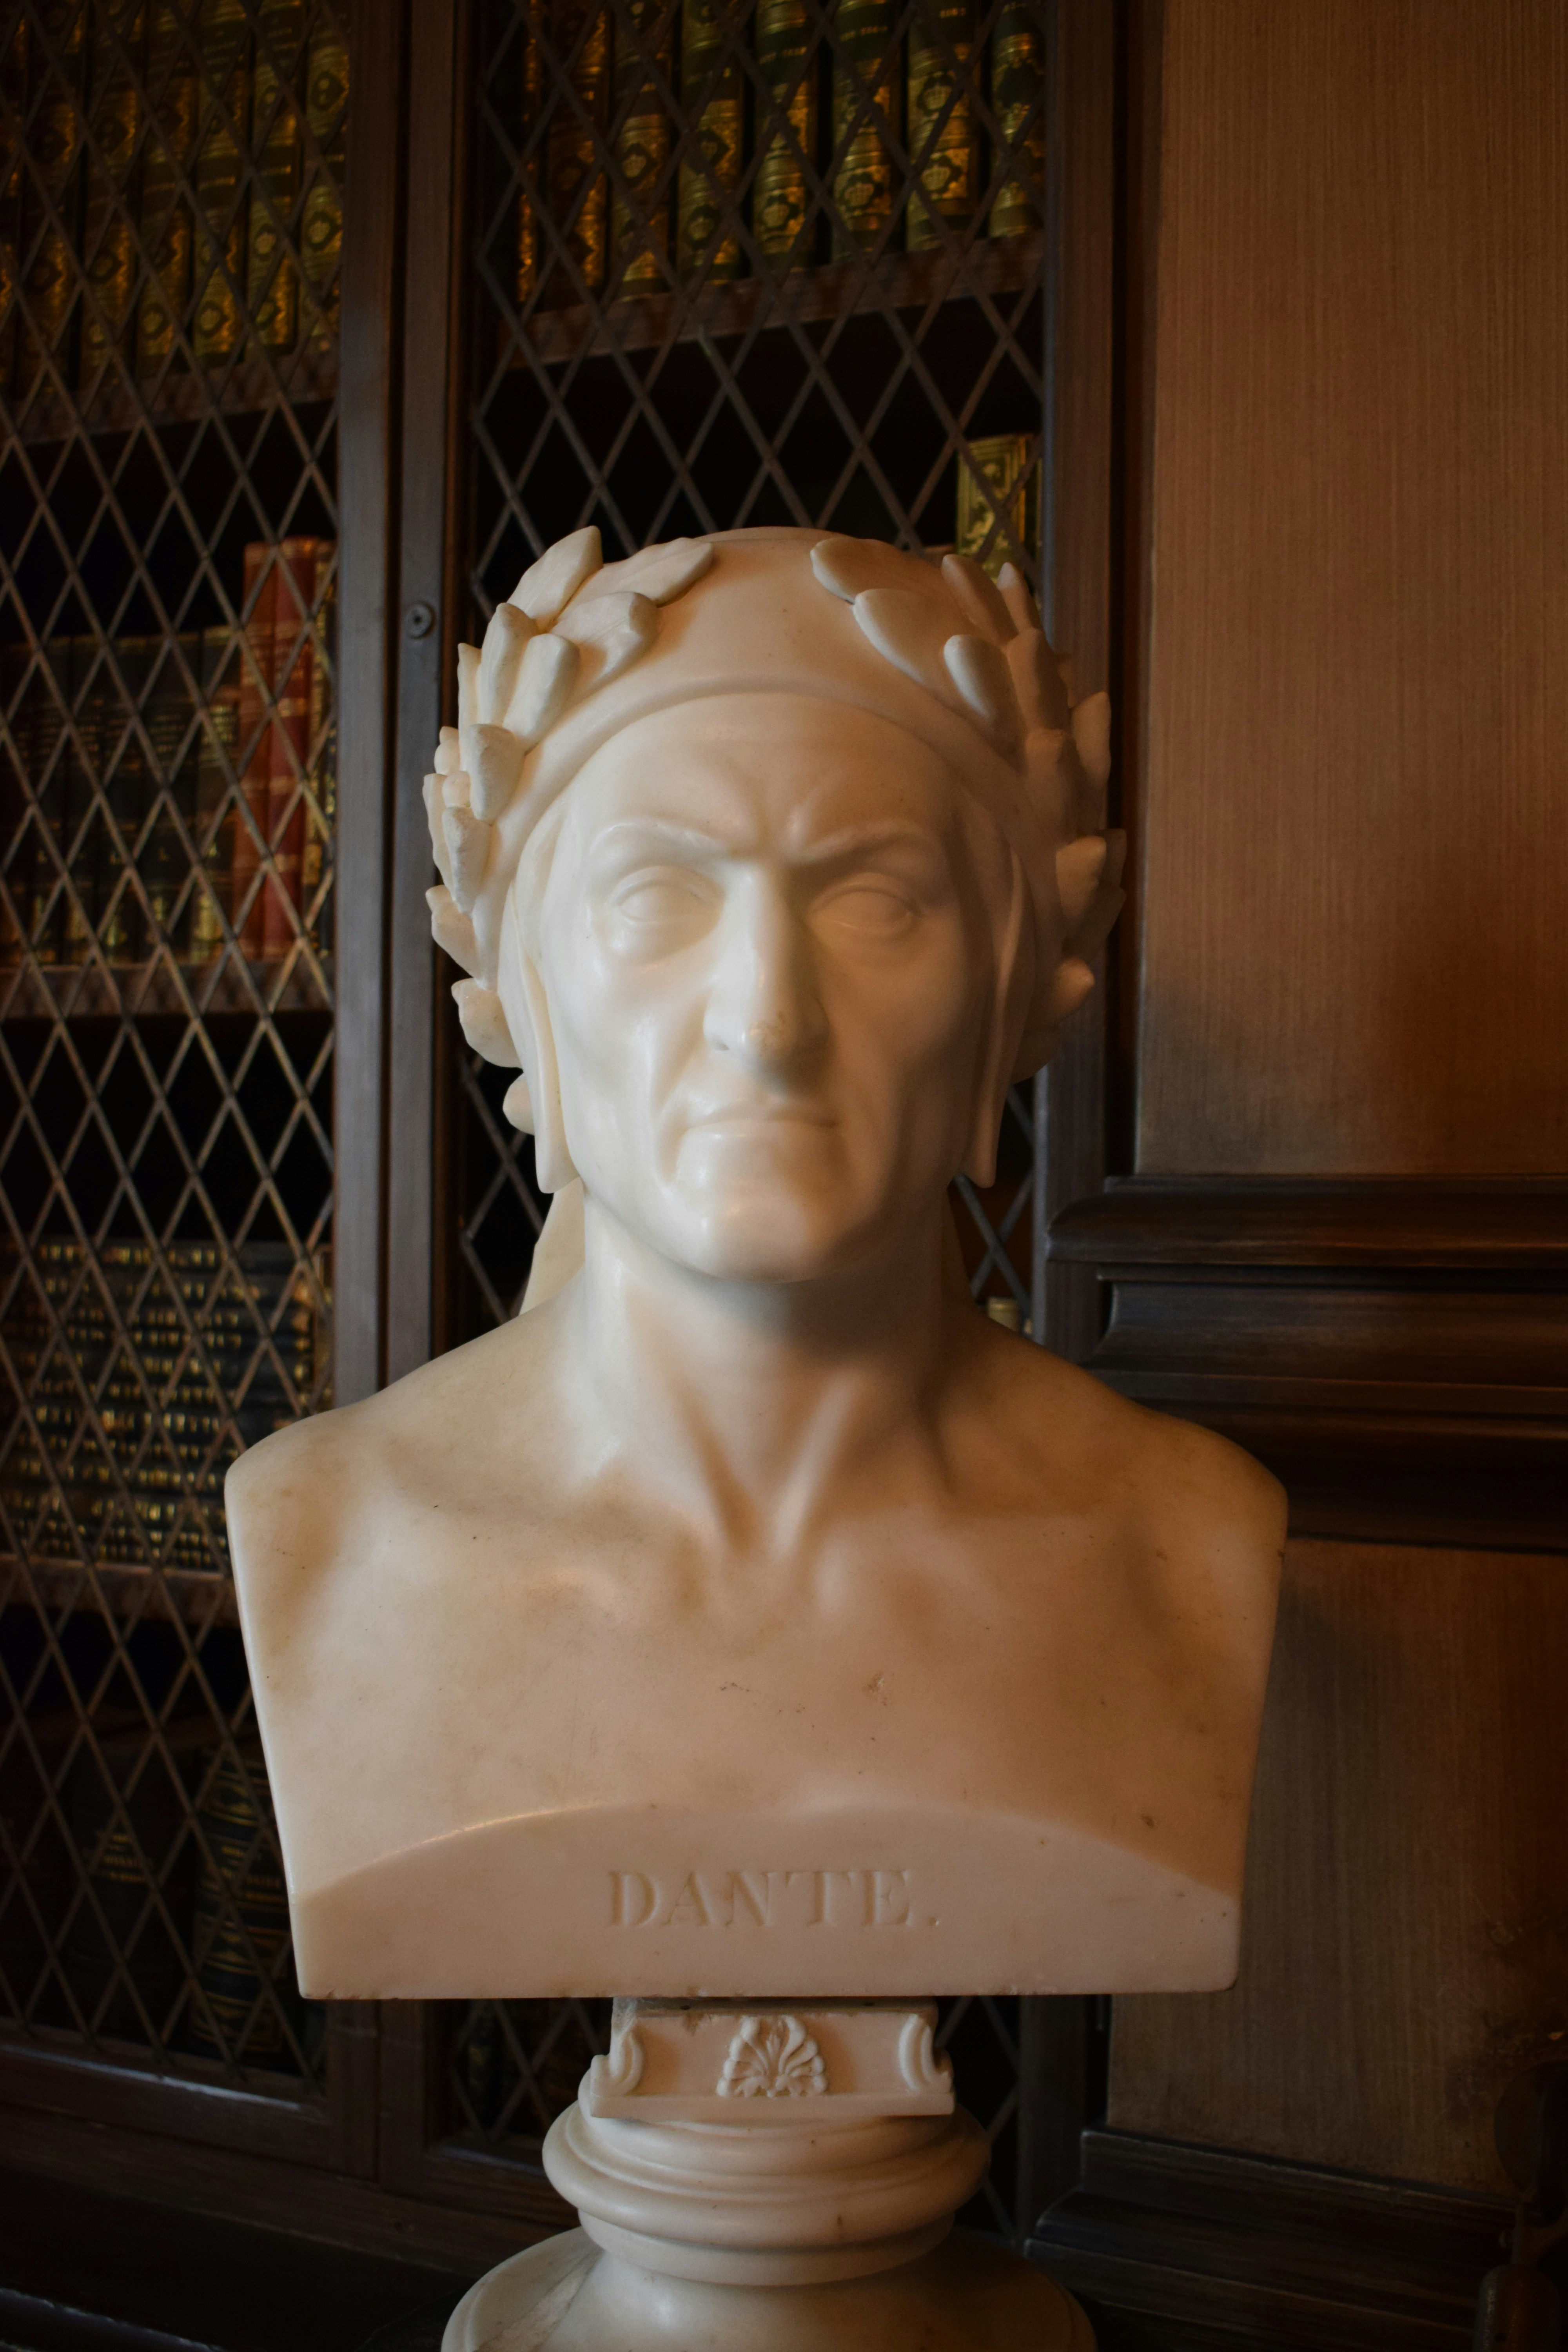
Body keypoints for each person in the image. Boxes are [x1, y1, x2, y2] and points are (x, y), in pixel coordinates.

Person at [227, 527, 1284, 2001]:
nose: (766, 1021)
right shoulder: (329, 1536)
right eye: (658, 898)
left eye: (875, 901)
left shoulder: (1182, 1549)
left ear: (1006, 996)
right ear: (525, 987)